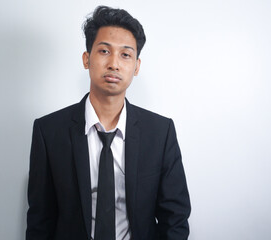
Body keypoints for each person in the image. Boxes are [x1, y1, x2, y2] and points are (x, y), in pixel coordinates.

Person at [26, 5, 191, 240]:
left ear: (136, 66)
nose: (114, 63)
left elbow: (175, 217)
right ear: (87, 58)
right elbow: (40, 220)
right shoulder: (49, 131)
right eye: (104, 51)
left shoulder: (160, 133)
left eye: (125, 54)